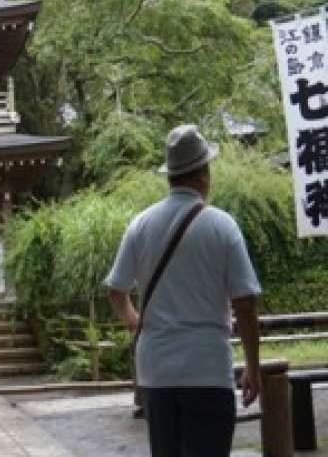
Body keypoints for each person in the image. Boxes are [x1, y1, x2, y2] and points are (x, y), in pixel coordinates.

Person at [105, 124, 262, 457]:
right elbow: (245, 304)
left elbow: (116, 291)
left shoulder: (141, 225)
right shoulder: (222, 226)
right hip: (207, 368)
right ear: (204, 174)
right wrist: (253, 366)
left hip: (157, 371)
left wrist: (136, 323)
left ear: (170, 176)